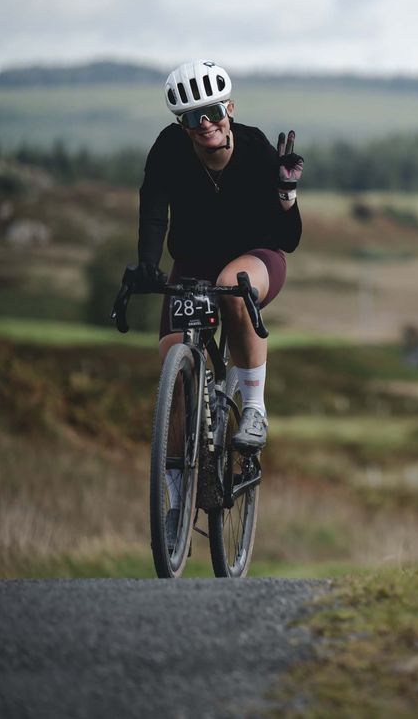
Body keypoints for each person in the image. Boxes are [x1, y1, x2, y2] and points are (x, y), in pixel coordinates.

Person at [130, 60, 303, 538]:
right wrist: (148, 264)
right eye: (191, 117)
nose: (204, 124)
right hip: (192, 264)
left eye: (211, 111)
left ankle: (253, 409)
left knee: (233, 285)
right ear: (180, 125)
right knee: (172, 364)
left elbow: (288, 238)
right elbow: (152, 213)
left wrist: (287, 196)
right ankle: (176, 498)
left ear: (228, 109)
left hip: (257, 257)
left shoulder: (254, 147)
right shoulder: (168, 150)